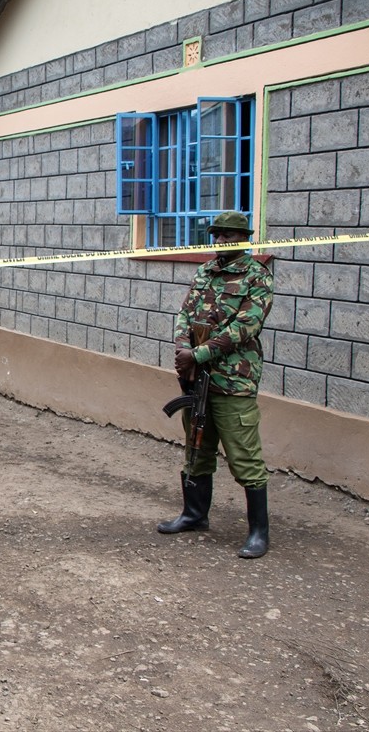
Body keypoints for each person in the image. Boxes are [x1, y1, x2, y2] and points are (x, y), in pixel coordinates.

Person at [158, 210, 274, 559]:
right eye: (218, 235)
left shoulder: (257, 276)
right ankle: (194, 515)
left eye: (229, 236)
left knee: (244, 456)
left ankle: (258, 532)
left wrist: (201, 354)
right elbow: (184, 313)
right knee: (196, 449)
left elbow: (246, 326)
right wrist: (182, 347)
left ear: (244, 239)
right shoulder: (205, 271)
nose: (222, 241)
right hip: (194, 378)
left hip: (232, 379)